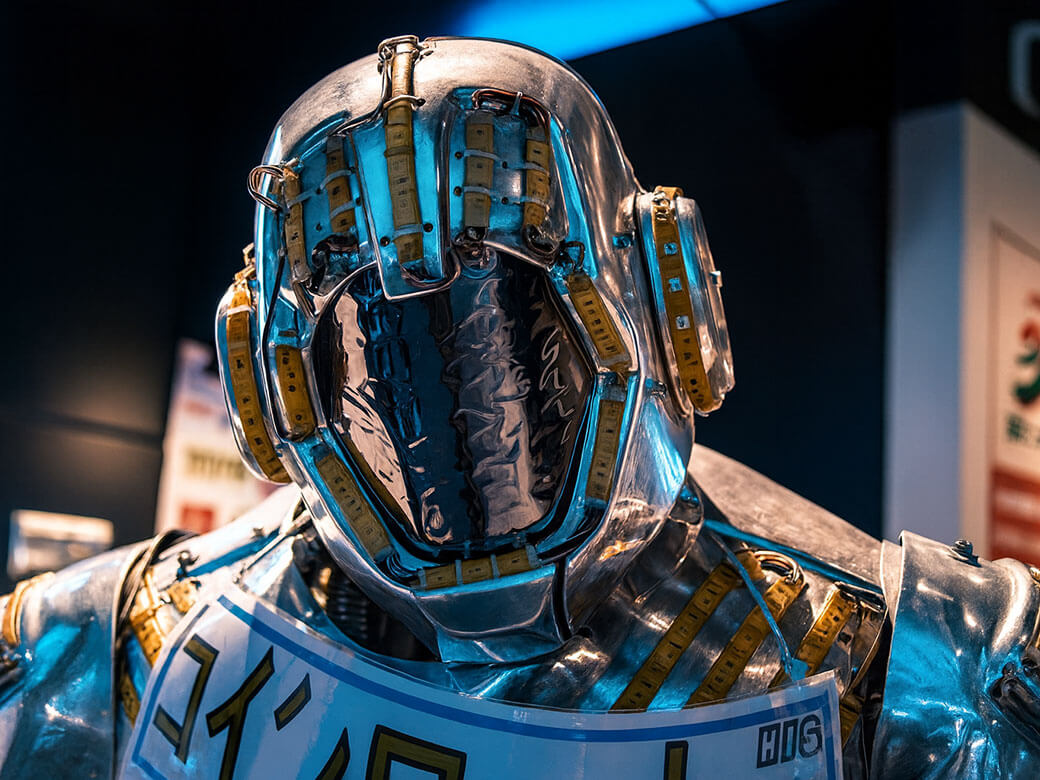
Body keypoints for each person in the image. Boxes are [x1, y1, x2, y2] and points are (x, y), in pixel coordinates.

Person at [1, 35, 1037, 779]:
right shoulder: (94, 646)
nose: (449, 420)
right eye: (379, 349)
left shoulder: (924, 669)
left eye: (508, 321)